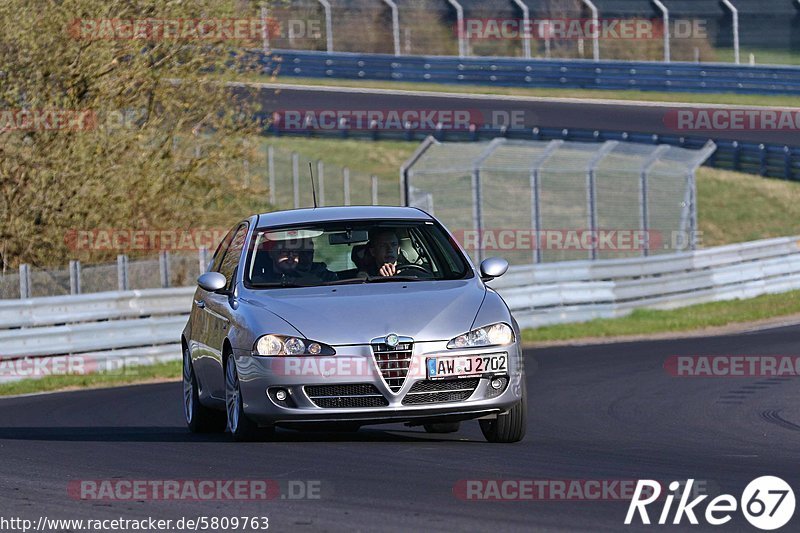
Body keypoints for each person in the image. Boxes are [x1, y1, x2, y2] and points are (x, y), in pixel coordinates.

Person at [265, 237, 337, 284]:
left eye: (309, 253)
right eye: (285, 251)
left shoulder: (325, 279)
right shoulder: (258, 281)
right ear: (271, 253)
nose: (305, 258)